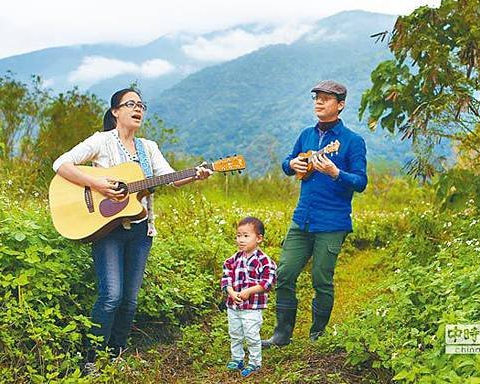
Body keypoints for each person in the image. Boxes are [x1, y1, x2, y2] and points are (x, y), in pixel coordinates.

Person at [52, 88, 212, 369]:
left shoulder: (148, 148)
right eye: (131, 104)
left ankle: (115, 356)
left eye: (141, 105)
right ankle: (91, 360)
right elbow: (60, 164)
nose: (137, 109)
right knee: (111, 295)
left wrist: (194, 175)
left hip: (140, 231)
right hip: (107, 231)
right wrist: (97, 184)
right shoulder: (101, 142)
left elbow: (170, 179)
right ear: (115, 111)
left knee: (129, 300)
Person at [262, 80, 367, 347]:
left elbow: (361, 182)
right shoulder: (306, 135)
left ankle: (316, 336)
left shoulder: (352, 141)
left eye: (326, 99)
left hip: (332, 222)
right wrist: (291, 163)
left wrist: (336, 173)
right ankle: (281, 334)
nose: (319, 102)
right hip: (302, 219)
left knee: (321, 278)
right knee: (284, 273)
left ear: (340, 105)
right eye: (316, 98)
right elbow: (288, 163)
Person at [221, 217, 276, 378]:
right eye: (238, 235)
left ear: (258, 238)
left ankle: (254, 362)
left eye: (246, 236)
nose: (241, 240)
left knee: (251, 335)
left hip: (252, 307)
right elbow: (226, 278)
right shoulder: (232, 260)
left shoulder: (264, 261)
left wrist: (249, 291)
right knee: (235, 333)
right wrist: (231, 292)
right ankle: (237, 358)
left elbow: (268, 282)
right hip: (234, 306)